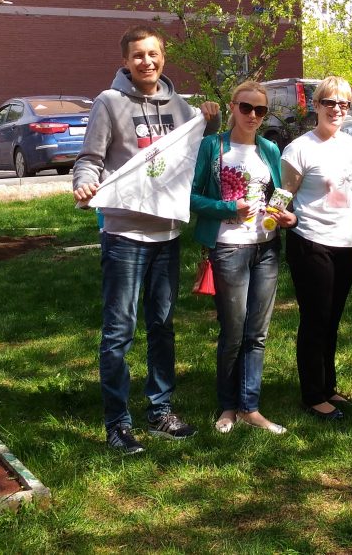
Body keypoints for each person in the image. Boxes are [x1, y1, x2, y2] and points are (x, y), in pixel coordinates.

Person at [73, 24, 221, 454]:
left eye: (153, 54)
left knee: (162, 325)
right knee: (119, 330)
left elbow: (191, 155)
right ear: (125, 61)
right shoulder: (109, 102)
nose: (146, 62)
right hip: (124, 233)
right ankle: (117, 423)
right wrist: (84, 183)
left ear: (164, 57)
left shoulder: (181, 107)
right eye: (137, 55)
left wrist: (208, 123)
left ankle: (160, 410)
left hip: (167, 234)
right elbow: (90, 158)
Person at [191, 80, 296, 436]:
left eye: (260, 110)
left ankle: (250, 408)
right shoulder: (213, 146)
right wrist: (226, 208)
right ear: (233, 107)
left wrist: (283, 214)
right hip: (229, 247)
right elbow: (190, 197)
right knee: (233, 332)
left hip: (266, 247)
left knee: (258, 332)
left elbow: (280, 194)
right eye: (246, 108)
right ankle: (227, 406)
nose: (253, 115)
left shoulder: (268, 149)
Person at [281, 76, 352, 420]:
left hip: (346, 243)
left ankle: (329, 385)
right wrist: (279, 216)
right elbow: (283, 196)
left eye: (343, 104)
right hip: (310, 241)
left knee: (332, 318)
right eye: (329, 102)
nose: (336, 109)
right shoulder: (300, 148)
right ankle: (313, 394)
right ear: (315, 106)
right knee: (315, 318)